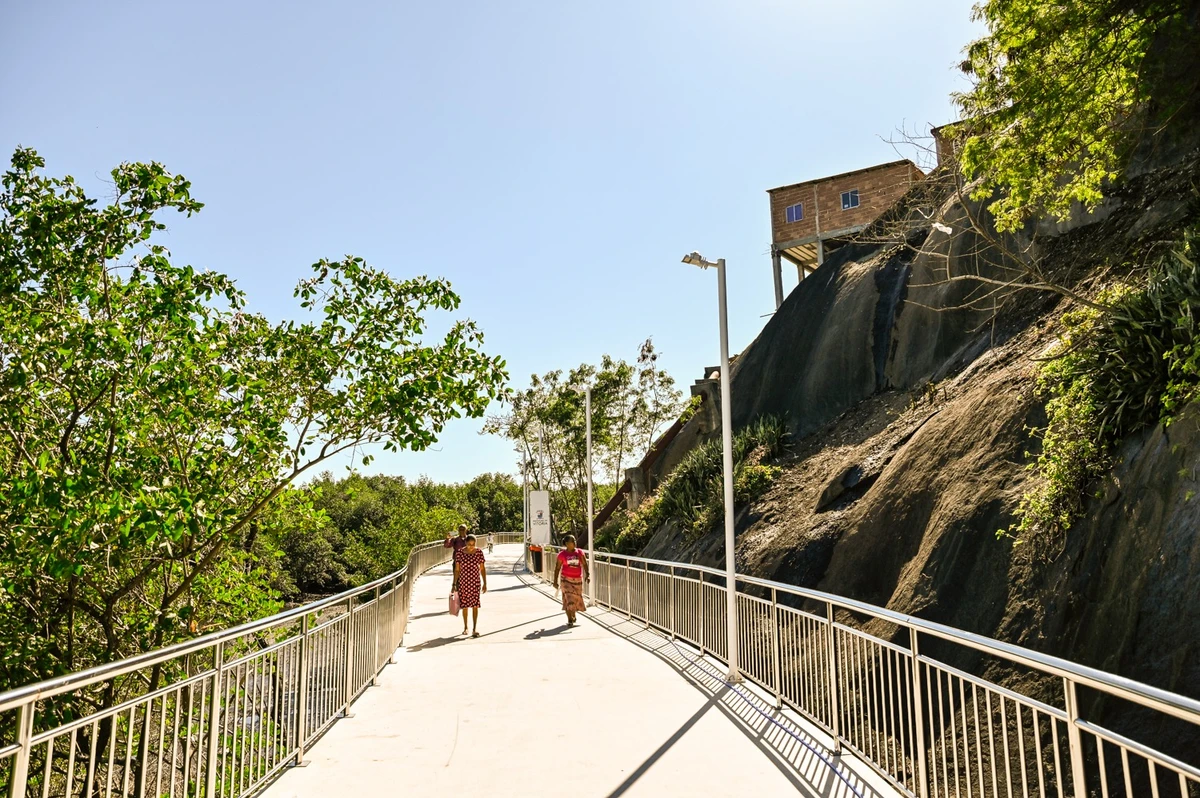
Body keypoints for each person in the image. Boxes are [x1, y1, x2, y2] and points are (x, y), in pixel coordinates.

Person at [454, 535, 487, 637]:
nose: (471, 546)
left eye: (473, 544)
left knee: (475, 605)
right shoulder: (460, 553)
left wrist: (485, 582)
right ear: (466, 543)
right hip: (464, 583)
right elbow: (457, 570)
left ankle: (474, 628)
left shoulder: (479, 552)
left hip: (475, 582)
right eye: (469, 544)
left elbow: (482, 568)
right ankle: (465, 627)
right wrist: (454, 583)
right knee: (464, 606)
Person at [552, 535, 589, 626]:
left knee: (576, 599)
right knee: (568, 599)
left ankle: (573, 614)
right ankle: (569, 619)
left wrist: (588, 575)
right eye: (572, 541)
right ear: (567, 544)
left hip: (577, 580)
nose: (575, 542)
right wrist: (555, 581)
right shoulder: (562, 555)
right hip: (566, 580)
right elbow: (557, 568)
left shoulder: (579, 552)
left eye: (575, 540)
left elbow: (584, 564)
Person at [444, 523, 469, 591]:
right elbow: (447, 545)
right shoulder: (455, 539)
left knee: (467, 580)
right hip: (457, 561)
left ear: (466, 530)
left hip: (468, 562)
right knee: (457, 579)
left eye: (463, 529)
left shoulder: (469, 539)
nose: (461, 531)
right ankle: (458, 594)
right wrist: (447, 538)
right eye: (460, 529)